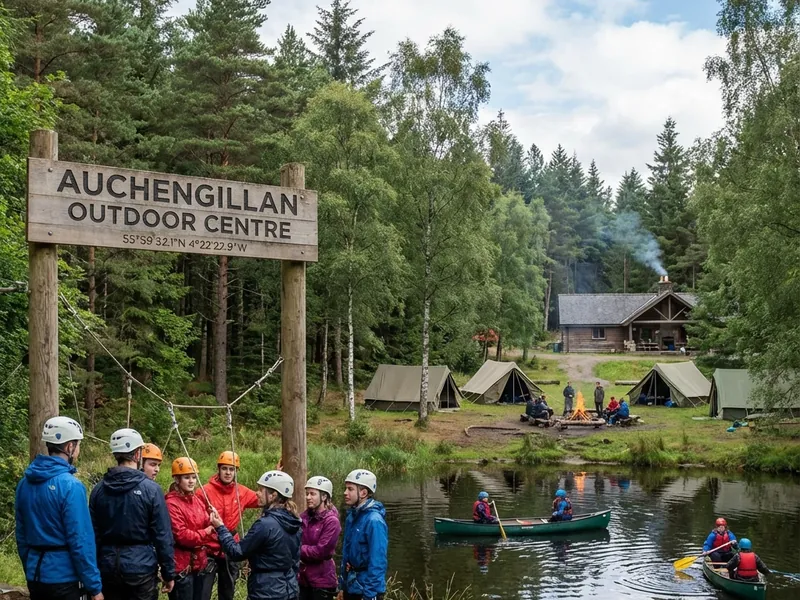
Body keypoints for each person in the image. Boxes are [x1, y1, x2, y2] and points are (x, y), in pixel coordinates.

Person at [15, 416, 103, 600]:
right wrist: (94, 587)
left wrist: (30, 566)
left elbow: (21, 534)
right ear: (69, 447)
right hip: (63, 578)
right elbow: (80, 540)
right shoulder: (71, 486)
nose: (78, 450)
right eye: (77, 445)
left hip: (35, 575)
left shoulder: (24, 483)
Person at [90, 428, 176, 600]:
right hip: (140, 568)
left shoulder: (99, 489)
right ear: (138, 454)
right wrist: (168, 572)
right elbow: (162, 535)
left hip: (108, 567)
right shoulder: (151, 489)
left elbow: (93, 534)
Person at [209, 470, 302, 600]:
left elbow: (236, 552)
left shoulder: (264, 525)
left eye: (260, 489)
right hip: (289, 590)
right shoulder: (295, 522)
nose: (257, 493)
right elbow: (295, 560)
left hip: (265, 592)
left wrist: (221, 528)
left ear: (273, 495)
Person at [202, 451, 260, 600]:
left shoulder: (241, 492)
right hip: (209, 547)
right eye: (225, 468)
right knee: (203, 592)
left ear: (236, 471)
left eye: (232, 469)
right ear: (219, 469)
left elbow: (263, 499)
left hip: (230, 547)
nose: (228, 473)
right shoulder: (204, 491)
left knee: (227, 592)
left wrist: (276, 476)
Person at [165, 457, 216, 600]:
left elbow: (207, 521)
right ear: (177, 479)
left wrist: (213, 518)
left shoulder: (197, 500)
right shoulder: (171, 504)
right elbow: (181, 535)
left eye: (194, 477)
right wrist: (205, 532)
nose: (191, 481)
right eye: (187, 477)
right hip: (182, 567)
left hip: (199, 565)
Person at [340, 469, 388, 600]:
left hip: (367, 589)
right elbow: (346, 554)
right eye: (346, 488)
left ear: (363, 492)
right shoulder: (352, 516)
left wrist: (370, 594)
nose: (345, 493)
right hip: (352, 585)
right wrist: (342, 586)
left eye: (350, 489)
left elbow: (378, 561)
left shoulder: (374, 521)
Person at [299, 476, 341, 600]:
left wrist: (298, 549)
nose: (308, 497)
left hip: (322, 582)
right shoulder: (304, 517)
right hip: (303, 579)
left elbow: (321, 552)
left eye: (312, 494)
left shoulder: (331, 521)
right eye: (307, 494)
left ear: (324, 497)